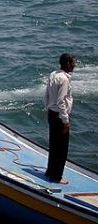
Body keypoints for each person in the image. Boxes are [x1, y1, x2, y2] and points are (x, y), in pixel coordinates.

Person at [44, 53, 76, 184]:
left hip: (52, 113)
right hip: (59, 116)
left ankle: (50, 171)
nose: (74, 65)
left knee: (53, 145)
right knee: (62, 148)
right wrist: (65, 121)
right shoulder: (64, 79)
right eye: (73, 62)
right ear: (67, 63)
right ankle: (57, 176)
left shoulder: (53, 74)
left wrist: (47, 108)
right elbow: (61, 101)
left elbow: (46, 94)